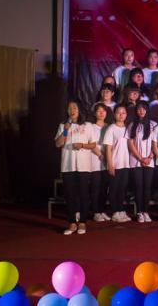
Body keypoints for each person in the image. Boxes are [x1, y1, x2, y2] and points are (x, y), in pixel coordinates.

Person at [55, 99, 97, 235]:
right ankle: (72, 223)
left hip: (84, 165)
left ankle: (83, 222)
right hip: (68, 165)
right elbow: (58, 144)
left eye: (74, 108)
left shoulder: (87, 125)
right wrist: (65, 131)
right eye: (69, 108)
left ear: (79, 110)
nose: (72, 111)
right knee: (70, 195)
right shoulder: (63, 125)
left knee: (84, 194)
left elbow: (93, 144)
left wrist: (82, 145)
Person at [127, 101, 156, 223]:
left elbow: (155, 144)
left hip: (149, 160)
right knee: (138, 186)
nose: (141, 111)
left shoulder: (153, 125)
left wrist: (149, 157)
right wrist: (140, 158)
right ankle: (139, 212)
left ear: (147, 110)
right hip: (136, 160)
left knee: (147, 187)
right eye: (139, 109)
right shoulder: (132, 125)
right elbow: (130, 144)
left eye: (144, 109)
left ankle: (146, 212)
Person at [103, 105, 132, 223]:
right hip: (115, 164)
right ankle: (115, 212)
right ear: (114, 115)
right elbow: (108, 149)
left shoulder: (128, 129)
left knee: (122, 189)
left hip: (125, 164)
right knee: (114, 189)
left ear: (126, 115)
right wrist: (110, 164)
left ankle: (120, 210)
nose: (121, 115)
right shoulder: (111, 128)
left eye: (123, 113)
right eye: (118, 113)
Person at [89, 103, 112, 223]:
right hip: (95, 161)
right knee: (96, 187)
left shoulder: (109, 127)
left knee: (104, 188)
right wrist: (101, 155)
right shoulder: (90, 127)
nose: (101, 113)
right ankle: (96, 212)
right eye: (99, 111)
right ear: (95, 113)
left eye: (103, 111)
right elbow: (91, 143)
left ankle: (102, 210)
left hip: (106, 162)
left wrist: (108, 157)